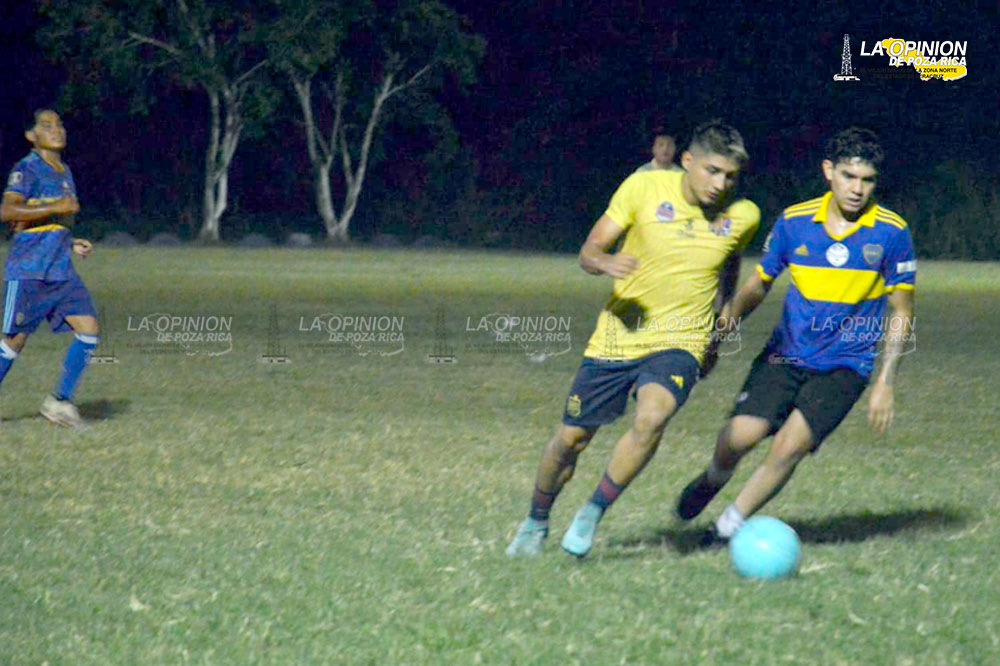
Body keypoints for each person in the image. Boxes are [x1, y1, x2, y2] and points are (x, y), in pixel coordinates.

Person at [507, 120, 761, 557]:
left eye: (731, 176)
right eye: (713, 171)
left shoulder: (744, 215)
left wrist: (719, 328)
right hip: (618, 336)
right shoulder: (643, 189)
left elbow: (730, 260)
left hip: (681, 339)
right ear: (688, 162)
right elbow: (589, 251)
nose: (721, 184)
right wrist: (605, 264)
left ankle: (591, 513)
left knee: (652, 418)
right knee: (571, 440)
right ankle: (535, 520)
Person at [675, 127, 916, 543]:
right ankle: (713, 477)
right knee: (738, 438)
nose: (857, 189)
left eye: (867, 180)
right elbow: (757, 285)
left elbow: (901, 310)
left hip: (845, 366)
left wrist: (885, 381)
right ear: (829, 172)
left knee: (789, 447)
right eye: (848, 176)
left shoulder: (892, 233)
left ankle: (725, 529)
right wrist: (720, 333)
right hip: (785, 355)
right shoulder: (795, 222)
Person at [0, 109, 100, 428]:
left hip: (60, 270)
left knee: (89, 330)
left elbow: (48, 222)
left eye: (59, 124)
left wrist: (72, 241)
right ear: (32, 136)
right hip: (29, 270)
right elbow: (7, 211)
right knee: (13, 342)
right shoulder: (27, 169)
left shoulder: (64, 171)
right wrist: (57, 206)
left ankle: (59, 403)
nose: (56, 130)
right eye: (47, 126)